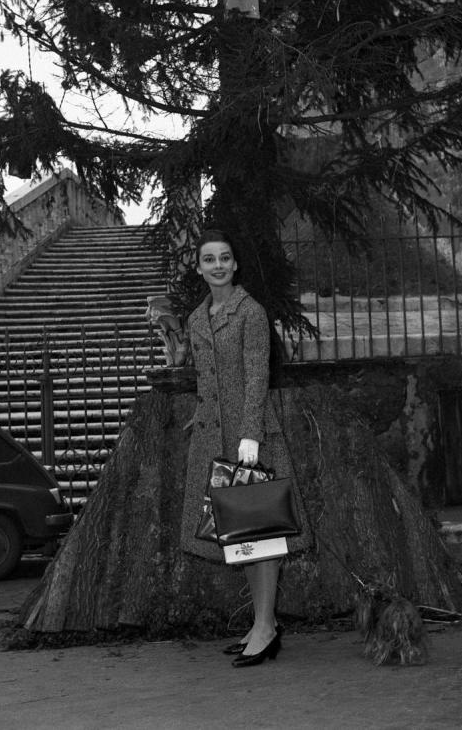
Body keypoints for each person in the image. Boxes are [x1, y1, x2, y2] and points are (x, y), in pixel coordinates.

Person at [179, 227, 311, 667]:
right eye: (209, 259)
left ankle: (266, 626)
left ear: (235, 265)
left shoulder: (249, 312)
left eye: (225, 258)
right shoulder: (197, 319)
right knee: (242, 540)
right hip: (213, 438)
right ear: (199, 268)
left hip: (250, 438)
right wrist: (201, 414)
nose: (217, 265)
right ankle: (261, 623)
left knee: (263, 533)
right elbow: (208, 378)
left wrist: (250, 435)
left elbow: (258, 376)